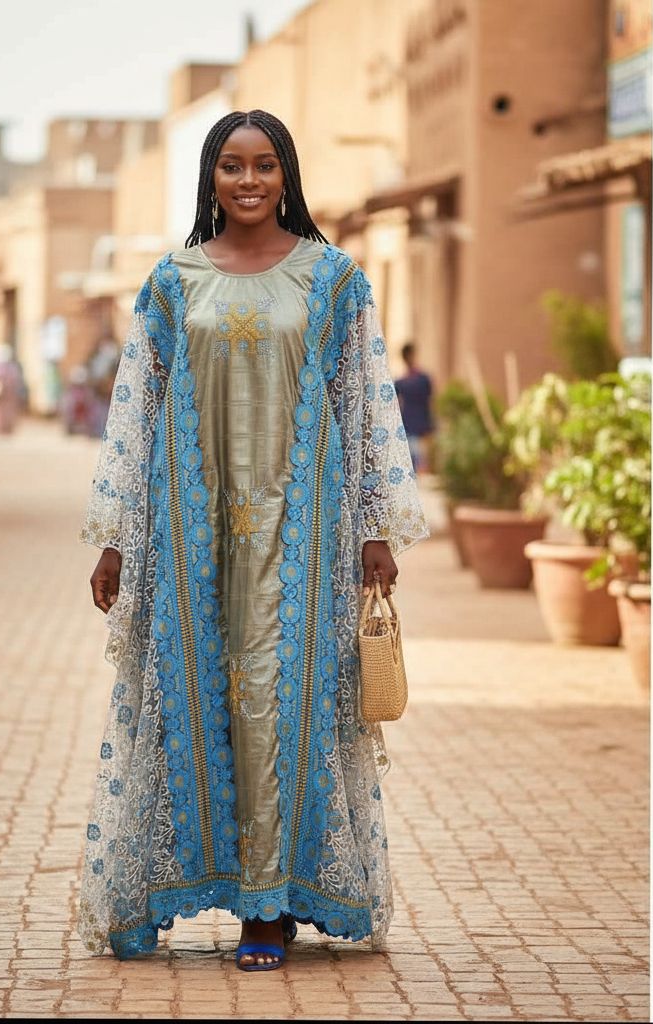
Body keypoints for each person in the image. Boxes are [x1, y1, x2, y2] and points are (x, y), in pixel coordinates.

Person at [78, 110, 429, 971]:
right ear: (209, 177)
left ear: (286, 176)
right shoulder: (172, 283)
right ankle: (175, 887)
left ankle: (269, 908)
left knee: (279, 703)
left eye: (264, 166)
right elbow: (133, 412)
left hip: (303, 535)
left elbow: (364, 402)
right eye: (231, 166)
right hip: (190, 535)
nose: (247, 182)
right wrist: (117, 540)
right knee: (192, 702)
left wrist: (376, 527)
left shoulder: (334, 280)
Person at [394, 342, 435, 474]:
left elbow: (430, 401)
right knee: (413, 459)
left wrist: (430, 424)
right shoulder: (402, 382)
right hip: (408, 423)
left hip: (419, 423)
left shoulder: (423, 379)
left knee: (418, 459)